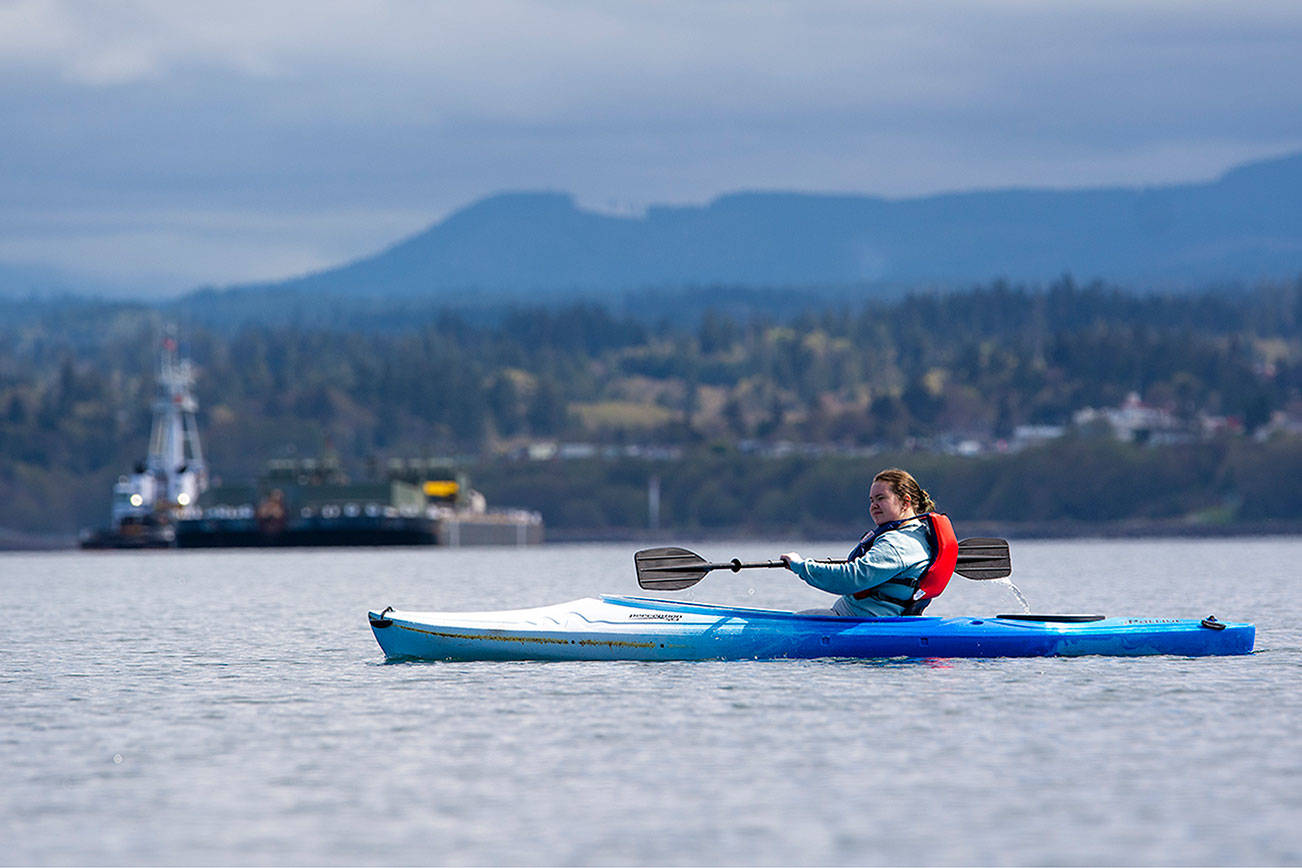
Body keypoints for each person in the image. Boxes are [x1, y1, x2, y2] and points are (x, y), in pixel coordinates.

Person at [781, 468, 938, 617]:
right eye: (872, 500)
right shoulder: (920, 533)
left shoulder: (898, 543)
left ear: (905, 502)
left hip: (858, 620)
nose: (874, 506)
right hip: (864, 617)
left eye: (881, 498)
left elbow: (852, 578)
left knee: (790, 625)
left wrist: (800, 566)